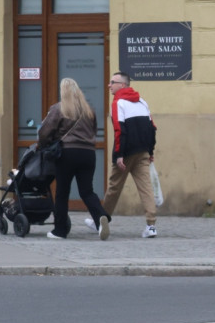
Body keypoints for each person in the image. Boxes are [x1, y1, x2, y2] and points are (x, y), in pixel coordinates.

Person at [38, 78, 111, 240]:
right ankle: (100, 219)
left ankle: (60, 230)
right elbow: (94, 131)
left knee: (62, 193)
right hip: (88, 154)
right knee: (87, 191)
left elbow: (44, 132)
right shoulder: (89, 110)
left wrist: (44, 145)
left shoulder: (58, 109)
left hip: (67, 154)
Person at [89, 71, 158, 238]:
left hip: (126, 153)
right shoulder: (142, 101)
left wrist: (119, 155)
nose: (109, 85)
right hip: (142, 151)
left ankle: (101, 219)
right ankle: (151, 226)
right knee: (146, 188)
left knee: (114, 186)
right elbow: (152, 128)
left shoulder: (118, 102)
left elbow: (120, 131)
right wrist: (150, 151)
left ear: (123, 85)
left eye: (112, 82)